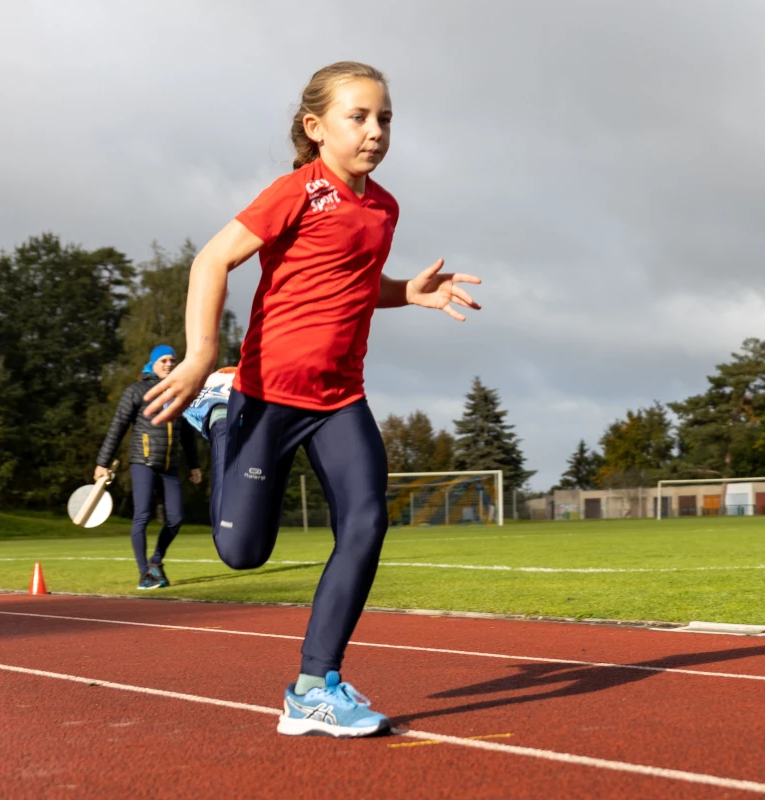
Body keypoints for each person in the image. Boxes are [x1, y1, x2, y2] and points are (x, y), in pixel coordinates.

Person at [141, 62, 482, 738]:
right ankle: (219, 413)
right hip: (266, 396)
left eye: (385, 118)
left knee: (366, 521)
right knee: (245, 555)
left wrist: (405, 291)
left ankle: (312, 685)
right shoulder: (296, 191)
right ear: (315, 126)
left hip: (338, 400)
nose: (376, 131)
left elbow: (352, 281)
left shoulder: (383, 208)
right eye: (359, 117)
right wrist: (204, 353)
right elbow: (211, 260)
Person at [95, 344, 201, 590]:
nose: (168, 364)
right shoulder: (137, 391)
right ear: (152, 363)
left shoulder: (179, 392)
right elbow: (117, 427)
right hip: (142, 463)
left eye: (172, 360)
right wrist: (102, 463)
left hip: (170, 467)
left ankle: (156, 561)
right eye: (163, 360)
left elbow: (187, 435)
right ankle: (144, 574)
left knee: (176, 519)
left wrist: (194, 465)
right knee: (142, 516)